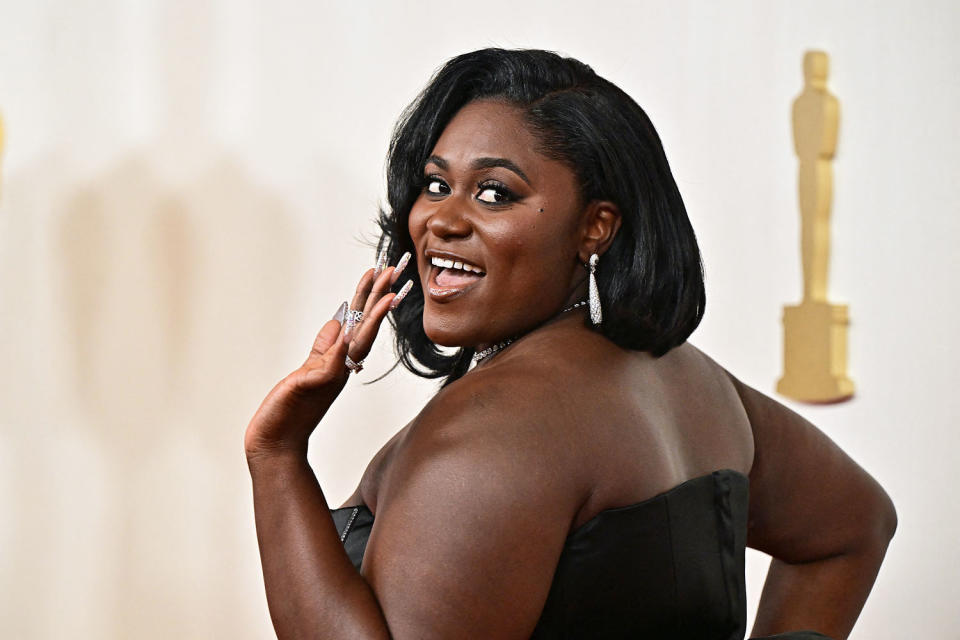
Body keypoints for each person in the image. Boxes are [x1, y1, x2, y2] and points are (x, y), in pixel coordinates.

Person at [244, 48, 896, 639]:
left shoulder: (487, 437)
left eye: (495, 193)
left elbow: (853, 529)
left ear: (596, 228)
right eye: (436, 184)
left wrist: (277, 455)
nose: (441, 218)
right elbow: (853, 527)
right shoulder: (693, 383)